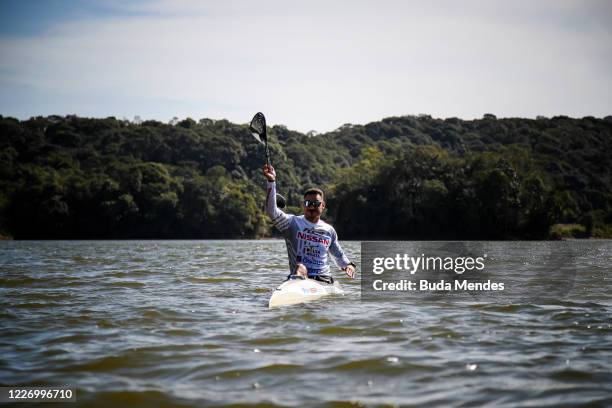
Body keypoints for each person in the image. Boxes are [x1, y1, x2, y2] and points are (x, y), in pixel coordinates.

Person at [263, 164, 356, 283]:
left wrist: (350, 265)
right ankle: (295, 284)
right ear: (303, 205)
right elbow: (272, 211)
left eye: (316, 204)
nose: (311, 207)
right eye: (308, 203)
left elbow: (339, 256)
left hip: (324, 279)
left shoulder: (329, 230)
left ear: (322, 206)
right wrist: (271, 181)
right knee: (300, 267)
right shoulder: (291, 223)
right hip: (300, 277)